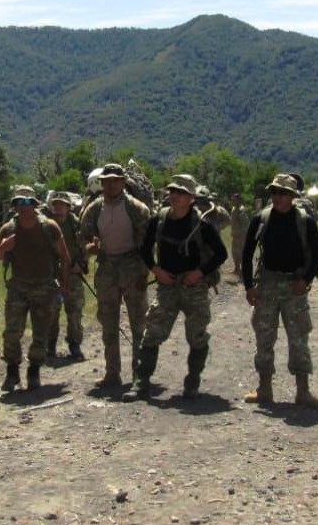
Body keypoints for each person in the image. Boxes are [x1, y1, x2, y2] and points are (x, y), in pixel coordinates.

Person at [134, 175, 227, 398]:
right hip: (167, 285)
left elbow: (221, 253)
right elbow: (145, 249)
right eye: (173, 192)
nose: (175, 196)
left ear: (191, 198)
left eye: (181, 193)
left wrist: (199, 273)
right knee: (152, 333)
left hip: (194, 286)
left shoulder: (202, 225)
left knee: (196, 335)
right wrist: (156, 270)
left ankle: (192, 382)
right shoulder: (159, 220)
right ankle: (141, 382)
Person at [241, 173, 318, 406]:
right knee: (264, 338)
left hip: (294, 285)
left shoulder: (304, 221)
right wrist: (249, 286)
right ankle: (264, 389)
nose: (278, 197)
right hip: (267, 284)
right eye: (275, 193)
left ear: (292, 197)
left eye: (283, 193)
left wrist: (306, 279)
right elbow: (246, 255)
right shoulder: (261, 219)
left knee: (298, 338)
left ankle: (303, 391)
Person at [79, 163, 153, 390]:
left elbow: (147, 245)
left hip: (132, 267)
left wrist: (145, 272)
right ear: (101, 183)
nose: (111, 184)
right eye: (106, 180)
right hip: (107, 269)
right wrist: (90, 247)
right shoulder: (93, 209)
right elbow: (83, 236)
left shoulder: (138, 209)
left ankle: (139, 375)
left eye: (115, 180)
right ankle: (113, 373)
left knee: (138, 323)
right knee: (108, 323)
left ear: (123, 182)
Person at [0, 186, 70, 391]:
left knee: (40, 332)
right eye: (19, 203)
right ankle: (12, 371)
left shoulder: (49, 227)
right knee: (11, 332)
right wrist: (3, 247)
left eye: (27, 203)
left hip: (44, 286)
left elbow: (64, 256)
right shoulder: (9, 228)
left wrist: (64, 284)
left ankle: (34, 370)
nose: (23, 207)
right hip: (18, 286)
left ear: (35, 205)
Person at [46, 192, 86, 360]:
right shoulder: (46, 225)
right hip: (51, 275)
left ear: (68, 207)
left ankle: (74, 344)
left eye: (62, 205)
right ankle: (50, 346)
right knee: (50, 312)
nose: (58, 208)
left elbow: (86, 246)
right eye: (55, 204)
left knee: (75, 311)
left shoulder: (77, 225)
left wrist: (81, 264)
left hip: (73, 274)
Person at [229, 192, 250, 278]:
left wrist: (240, 234)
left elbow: (246, 225)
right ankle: (236, 269)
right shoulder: (234, 209)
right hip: (235, 235)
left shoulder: (241, 210)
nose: (232, 201)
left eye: (234, 200)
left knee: (241, 253)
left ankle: (243, 270)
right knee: (234, 252)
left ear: (239, 200)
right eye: (232, 199)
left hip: (241, 236)